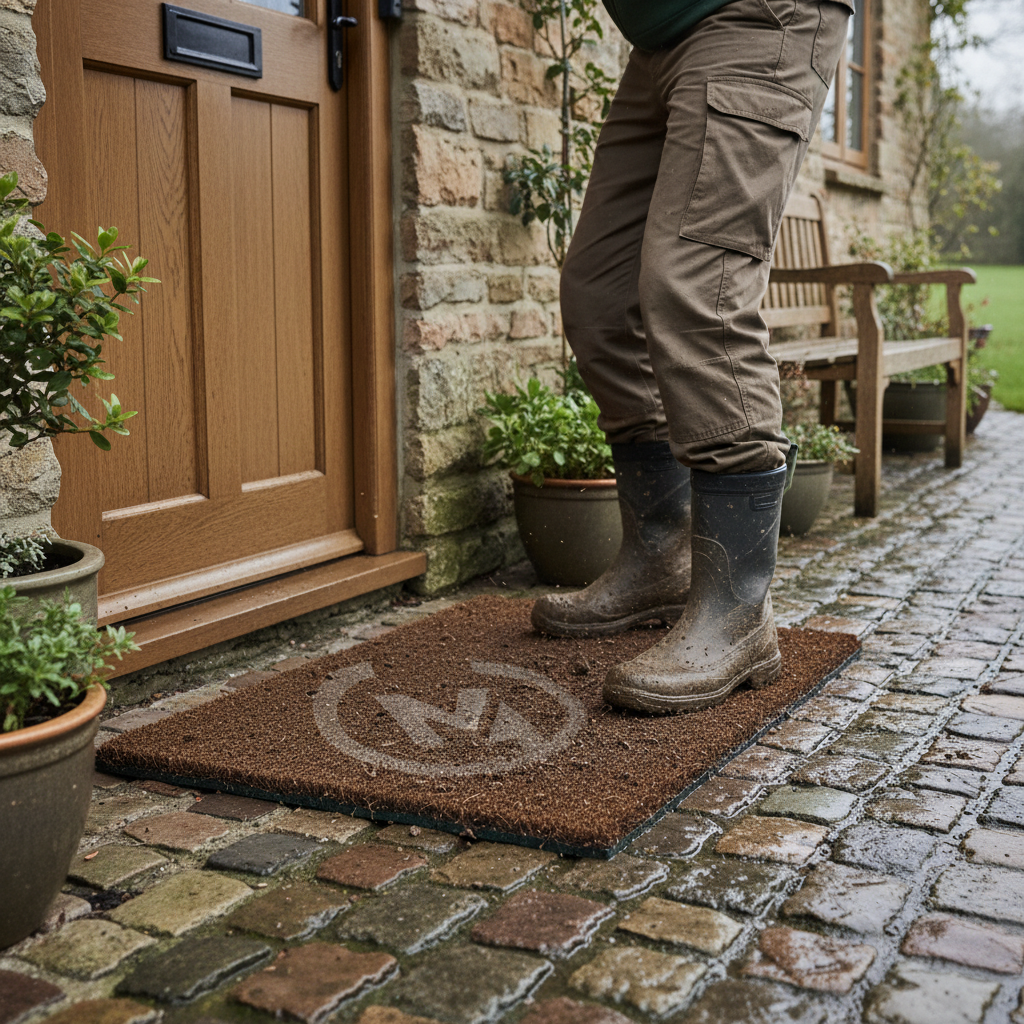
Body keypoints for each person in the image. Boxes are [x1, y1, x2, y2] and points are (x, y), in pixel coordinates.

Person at [531, 0, 852, 712]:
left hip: (756, 19)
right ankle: (657, 558)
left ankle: (738, 611)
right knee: (599, 295)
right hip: (658, 45)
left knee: (696, 288)